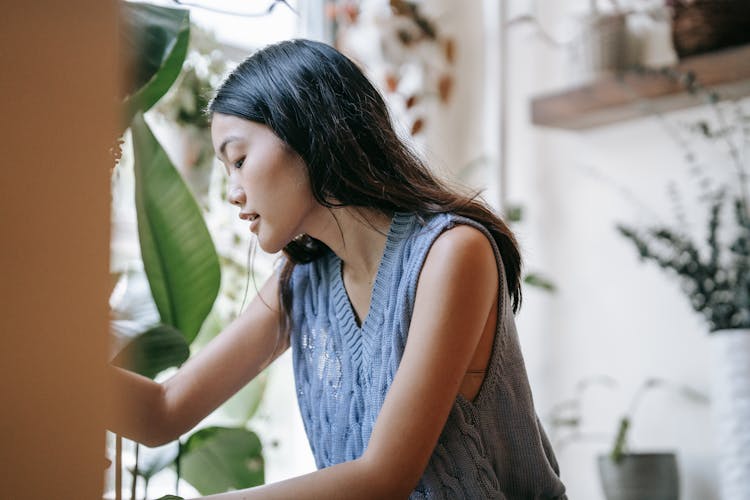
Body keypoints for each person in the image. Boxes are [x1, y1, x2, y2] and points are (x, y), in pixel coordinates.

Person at [111, 38, 566, 499]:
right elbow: (162, 413)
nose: (233, 191)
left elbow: (384, 477)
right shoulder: (301, 280)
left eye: (240, 160)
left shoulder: (452, 253)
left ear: (307, 132)